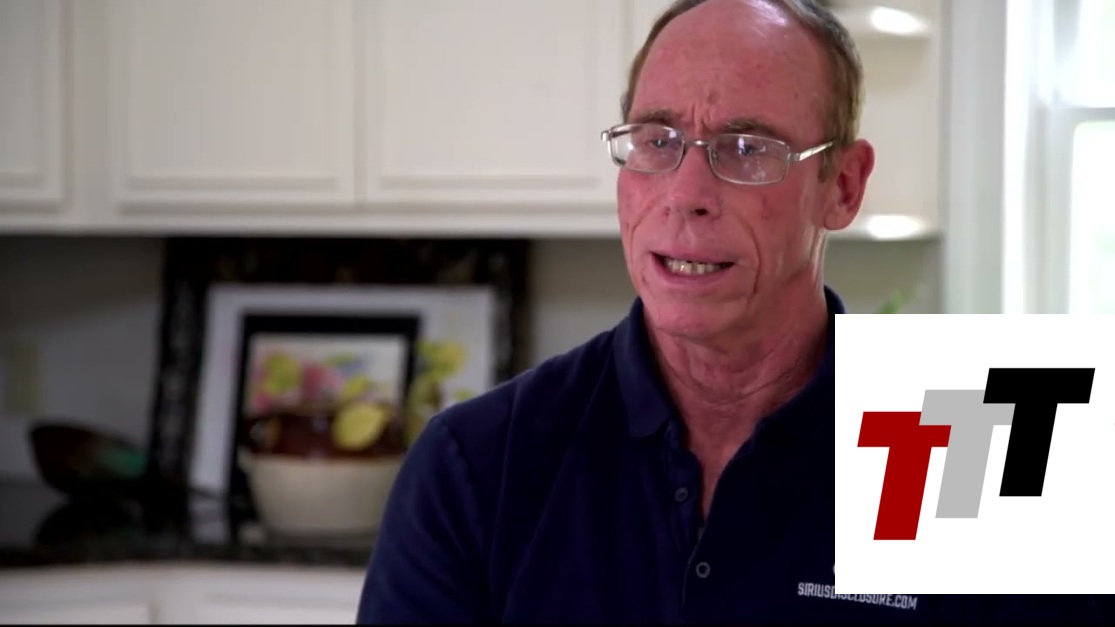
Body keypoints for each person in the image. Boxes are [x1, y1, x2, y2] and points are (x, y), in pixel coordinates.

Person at [356, 0, 1109, 622]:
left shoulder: (992, 439)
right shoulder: (481, 464)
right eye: (656, 140)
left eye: (747, 147)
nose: (685, 193)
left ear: (843, 187)